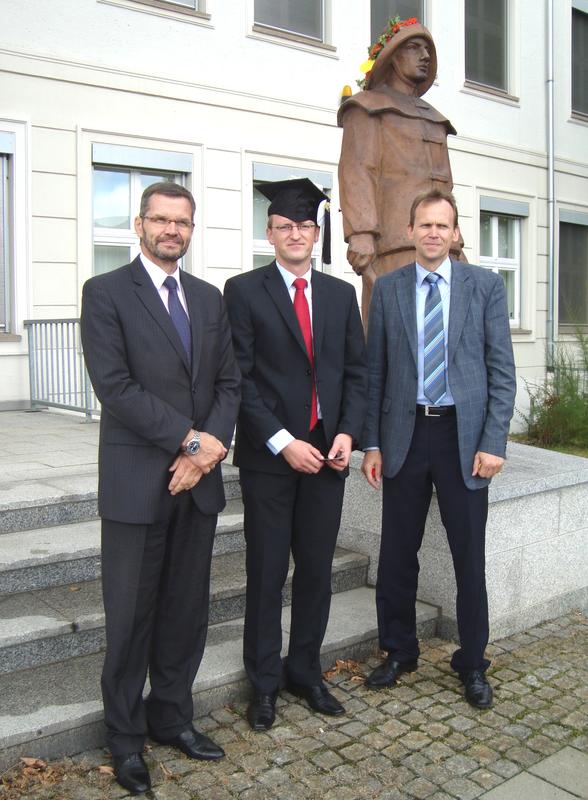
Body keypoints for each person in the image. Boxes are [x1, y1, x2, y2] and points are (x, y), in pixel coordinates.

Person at [80, 182, 240, 794]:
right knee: (131, 616)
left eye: (182, 222)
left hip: (195, 485)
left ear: (192, 230)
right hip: (136, 483)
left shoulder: (208, 298)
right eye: (161, 220)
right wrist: (191, 442)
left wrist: (208, 451)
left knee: (184, 611)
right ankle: (124, 739)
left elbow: (230, 382)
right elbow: (115, 387)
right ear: (139, 224)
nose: (172, 230)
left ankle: (173, 717)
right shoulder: (107, 293)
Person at [361, 189, 516, 709]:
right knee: (397, 555)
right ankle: (399, 651)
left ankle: (473, 662)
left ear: (455, 233)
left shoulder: (485, 286)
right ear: (410, 231)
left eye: (441, 226)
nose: (432, 233)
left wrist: (494, 442)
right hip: (405, 437)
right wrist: (373, 443)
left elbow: (501, 371)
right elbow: (376, 372)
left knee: (468, 556)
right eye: (423, 225)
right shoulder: (388, 289)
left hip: (463, 439)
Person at [223, 178, 367, 731]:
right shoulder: (242, 291)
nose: (295, 234)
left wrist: (348, 433)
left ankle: (304, 670)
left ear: (317, 232)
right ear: (270, 233)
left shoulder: (338, 294)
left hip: (328, 459)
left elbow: (355, 371)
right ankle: (263, 683)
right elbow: (239, 377)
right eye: (285, 226)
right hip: (270, 461)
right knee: (265, 572)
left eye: (305, 225)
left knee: (315, 572)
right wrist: (283, 442)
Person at [338, 18, 464, 324]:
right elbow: (358, 170)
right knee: (394, 340)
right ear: (392, 57)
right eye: (414, 47)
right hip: (393, 247)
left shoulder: (435, 119)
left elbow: (446, 187)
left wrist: (456, 244)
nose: (425, 56)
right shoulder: (367, 108)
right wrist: (362, 233)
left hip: (442, 248)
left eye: (427, 50)